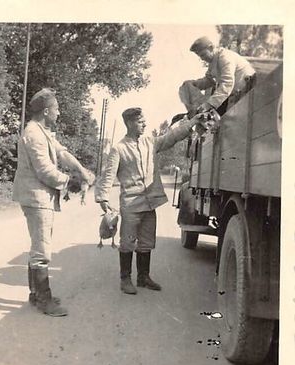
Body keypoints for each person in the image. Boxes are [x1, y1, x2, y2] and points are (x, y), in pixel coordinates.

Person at [95, 107, 202, 294]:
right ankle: (125, 279)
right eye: (140, 121)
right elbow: (108, 174)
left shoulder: (150, 143)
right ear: (129, 123)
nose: (144, 123)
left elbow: (172, 137)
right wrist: (103, 198)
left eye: (144, 120)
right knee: (127, 242)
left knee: (146, 242)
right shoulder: (118, 148)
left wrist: (192, 123)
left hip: (150, 202)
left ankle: (143, 277)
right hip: (130, 205)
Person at [13, 88, 94, 317]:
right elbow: (45, 171)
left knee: (39, 244)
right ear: (47, 111)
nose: (59, 113)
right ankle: (45, 300)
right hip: (35, 196)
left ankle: (36, 294)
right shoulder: (34, 134)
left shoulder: (43, 131)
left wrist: (81, 169)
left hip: (39, 196)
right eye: (57, 109)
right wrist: (72, 182)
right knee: (42, 249)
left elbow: (62, 153)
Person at [181, 36, 256, 116]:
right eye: (200, 56)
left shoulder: (225, 57)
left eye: (203, 55)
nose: (202, 59)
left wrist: (209, 104)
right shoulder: (213, 62)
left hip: (247, 91)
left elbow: (227, 83)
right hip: (236, 94)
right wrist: (195, 84)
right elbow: (209, 80)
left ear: (211, 48)